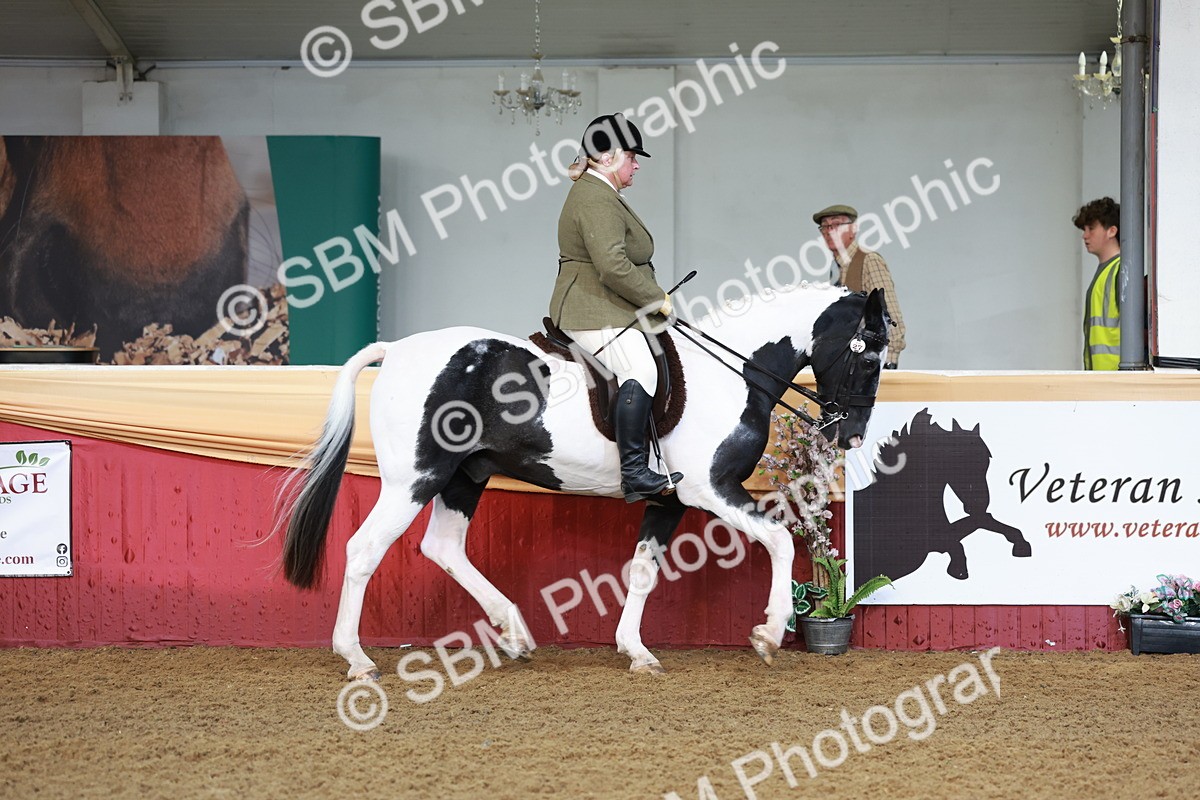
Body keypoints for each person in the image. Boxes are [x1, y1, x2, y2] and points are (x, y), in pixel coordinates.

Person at [548, 113, 682, 503]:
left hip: (609, 304)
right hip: (590, 306)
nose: (636, 165)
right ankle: (635, 472)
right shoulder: (594, 196)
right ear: (607, 158)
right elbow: (612, 266)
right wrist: (657, 299)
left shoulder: (603, 193)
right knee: (639, 368)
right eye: (631, 157)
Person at [812, 204, 907, 368]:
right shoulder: (836, 268)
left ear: (853, 230)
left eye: (836, 225)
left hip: (869, 362)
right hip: (846, 363)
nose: (829, 231)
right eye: (825, 227)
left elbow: (891, 315)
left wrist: (889, 360)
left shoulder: (869, 260)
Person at [1072, 197, 1121, 370]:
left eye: (1091, 228)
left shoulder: (1120, 271)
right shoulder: (1109, 271)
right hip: (1105, 379)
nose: (1085, 235)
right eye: (1084, 229)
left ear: (1112, 231)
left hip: (1116, 381)